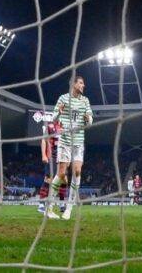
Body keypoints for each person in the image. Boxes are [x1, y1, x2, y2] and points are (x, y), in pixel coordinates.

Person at [46, 75, 93, 220]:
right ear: (73, 84)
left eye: (83, 83)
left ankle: (69, 209)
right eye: (81, 83)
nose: (83, 85)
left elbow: (90, 122)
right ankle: (49, 208)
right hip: (65, 141)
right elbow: (53, 119)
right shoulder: (63, 98)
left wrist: (88, 119)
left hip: (78, 142)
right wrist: (59, 112)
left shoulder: (85, 101)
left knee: (77, 171)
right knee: (61, 174)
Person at [37, 112, 64, 214]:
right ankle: (41, 204)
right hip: (51, 155)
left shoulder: (64, 127)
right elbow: (44, 140)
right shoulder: (50, 126)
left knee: (62, 179)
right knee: (48, 179)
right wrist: (44, 155)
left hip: (61, 157)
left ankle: (61, 204)